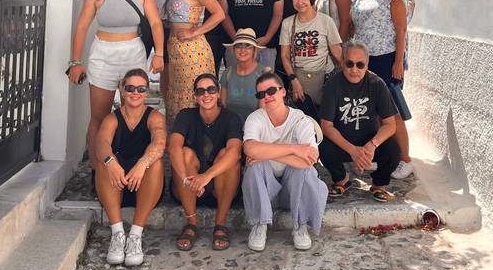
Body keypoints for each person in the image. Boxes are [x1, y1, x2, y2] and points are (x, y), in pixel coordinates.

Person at [67, 0, 164, 175]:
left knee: (134, 113)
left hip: (133, 53)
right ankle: (98, 170)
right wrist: (75, 61)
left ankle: (133, 164)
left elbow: (156, 23)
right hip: (103, 54)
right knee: (99, 116)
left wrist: (159, 53)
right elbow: (81, 27)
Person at [242, 73, 328, 251]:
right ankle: (260, 224)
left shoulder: (300, 119)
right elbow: (250, 150)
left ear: (283, 92)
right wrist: (295, 149)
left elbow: (309, 161)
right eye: (261, 94)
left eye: (271, 91)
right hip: (265, 194)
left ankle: (300, 225)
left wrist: (265, 152)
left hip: (293, 192)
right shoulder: (255, 118)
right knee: (255, 165)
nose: (266, 97)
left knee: (304, 171)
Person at [351, 0, 413, 179]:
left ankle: (405, 159)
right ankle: (383, 156)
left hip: (386, 59)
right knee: (374, 113)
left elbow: (401, 31)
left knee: (392, 112)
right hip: (364, 62)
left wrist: (398, 63)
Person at [95, 69, 166, 266]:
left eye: (141, 89)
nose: (136, 93)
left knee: (156, 163)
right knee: (104, 161)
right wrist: (111, 164)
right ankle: (117, 234)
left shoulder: (155, 117)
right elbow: (101, 143)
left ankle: (135, 235)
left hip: (145, 187)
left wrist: (143, 164)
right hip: (115, 184)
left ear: (147, 92)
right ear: (122, 91)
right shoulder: (112, 119)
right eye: (130, 88)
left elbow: (159, 143)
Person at [169, 73, 242, 251]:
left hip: (221, 187)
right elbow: (173, 147)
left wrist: (206, 176)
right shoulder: (185, 115)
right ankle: (192, 223)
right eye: (200, 91)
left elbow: (236, 152)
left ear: (218, 93)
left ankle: (220, 223)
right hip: (188, 187)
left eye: (211, 89)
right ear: (195, 96)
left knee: (227, 155)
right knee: (184, 153)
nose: (206, 95)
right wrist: (186, 179)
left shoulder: (231, 118)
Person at [319, 43, 401, 203]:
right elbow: (326, 126)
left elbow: (390, 125)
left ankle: (379, 184)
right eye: (349, 63)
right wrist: (352, 150)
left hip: (369, 141)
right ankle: (341, 179)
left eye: (360, 65)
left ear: (367, 64)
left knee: (393, 150)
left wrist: (372, 145)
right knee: (322, 145)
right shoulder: (333, 84)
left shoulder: (377, 84)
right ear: (342, 62)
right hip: (342, 142)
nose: (354, 69)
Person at [164, 0, 225, 126]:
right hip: (177, 49)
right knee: (180, 92)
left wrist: (194, 32)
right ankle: (181, 140)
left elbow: (219, 14)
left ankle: (194, 140)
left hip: (192, 51)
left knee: (193, 93)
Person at [280, 0, 343, 116]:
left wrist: (353, 69)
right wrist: (293, 80)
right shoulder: (287, 23)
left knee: (327, 116)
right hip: (298, 78)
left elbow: (337, 53)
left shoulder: (326, 21)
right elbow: (284, 56)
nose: (300, 2)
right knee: (302, 118)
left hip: (326, 76)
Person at [219, 28, 271, 123]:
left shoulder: (264, 73)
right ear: (234, 50)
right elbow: (223, 106)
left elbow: (264, 110)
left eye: (248, 46)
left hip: (255, 125)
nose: (243, 50)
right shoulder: (227, 73)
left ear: (254, 50)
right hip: (230, 124)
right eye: (239, 46)